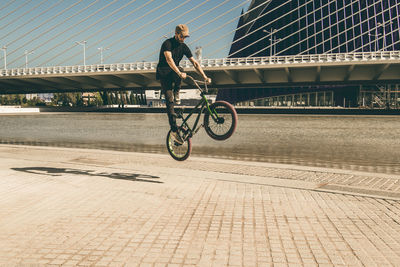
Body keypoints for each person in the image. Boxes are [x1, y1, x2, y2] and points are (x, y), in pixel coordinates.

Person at [156, 24, 211, 144]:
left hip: (174, 72)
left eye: (185, 37)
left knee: (181, 70)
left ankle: (177, 93)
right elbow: (169, 60)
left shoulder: (184, 47)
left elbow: (195, 63)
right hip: (164, 74)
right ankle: (174, 131)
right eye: (182, 36)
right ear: (176, 34)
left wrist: (205, 76)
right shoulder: (167, 44)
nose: (183, 39)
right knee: (170, 102)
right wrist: (179, 73)